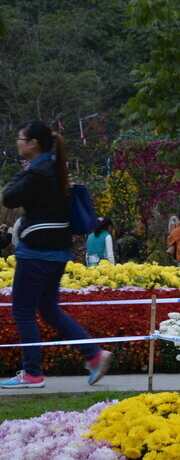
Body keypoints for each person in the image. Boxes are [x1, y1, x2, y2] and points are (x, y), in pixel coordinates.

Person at [0, 120, 112, 388]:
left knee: (23, 312)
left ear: (33, 144)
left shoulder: (38, 173)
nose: (18, 143)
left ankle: (32, 373)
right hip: (58, 253)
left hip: (35, 253)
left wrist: (24, 170)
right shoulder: (57, 169)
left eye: (20, 139)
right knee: (48, 309)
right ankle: (94, 355)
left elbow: (9, 197)